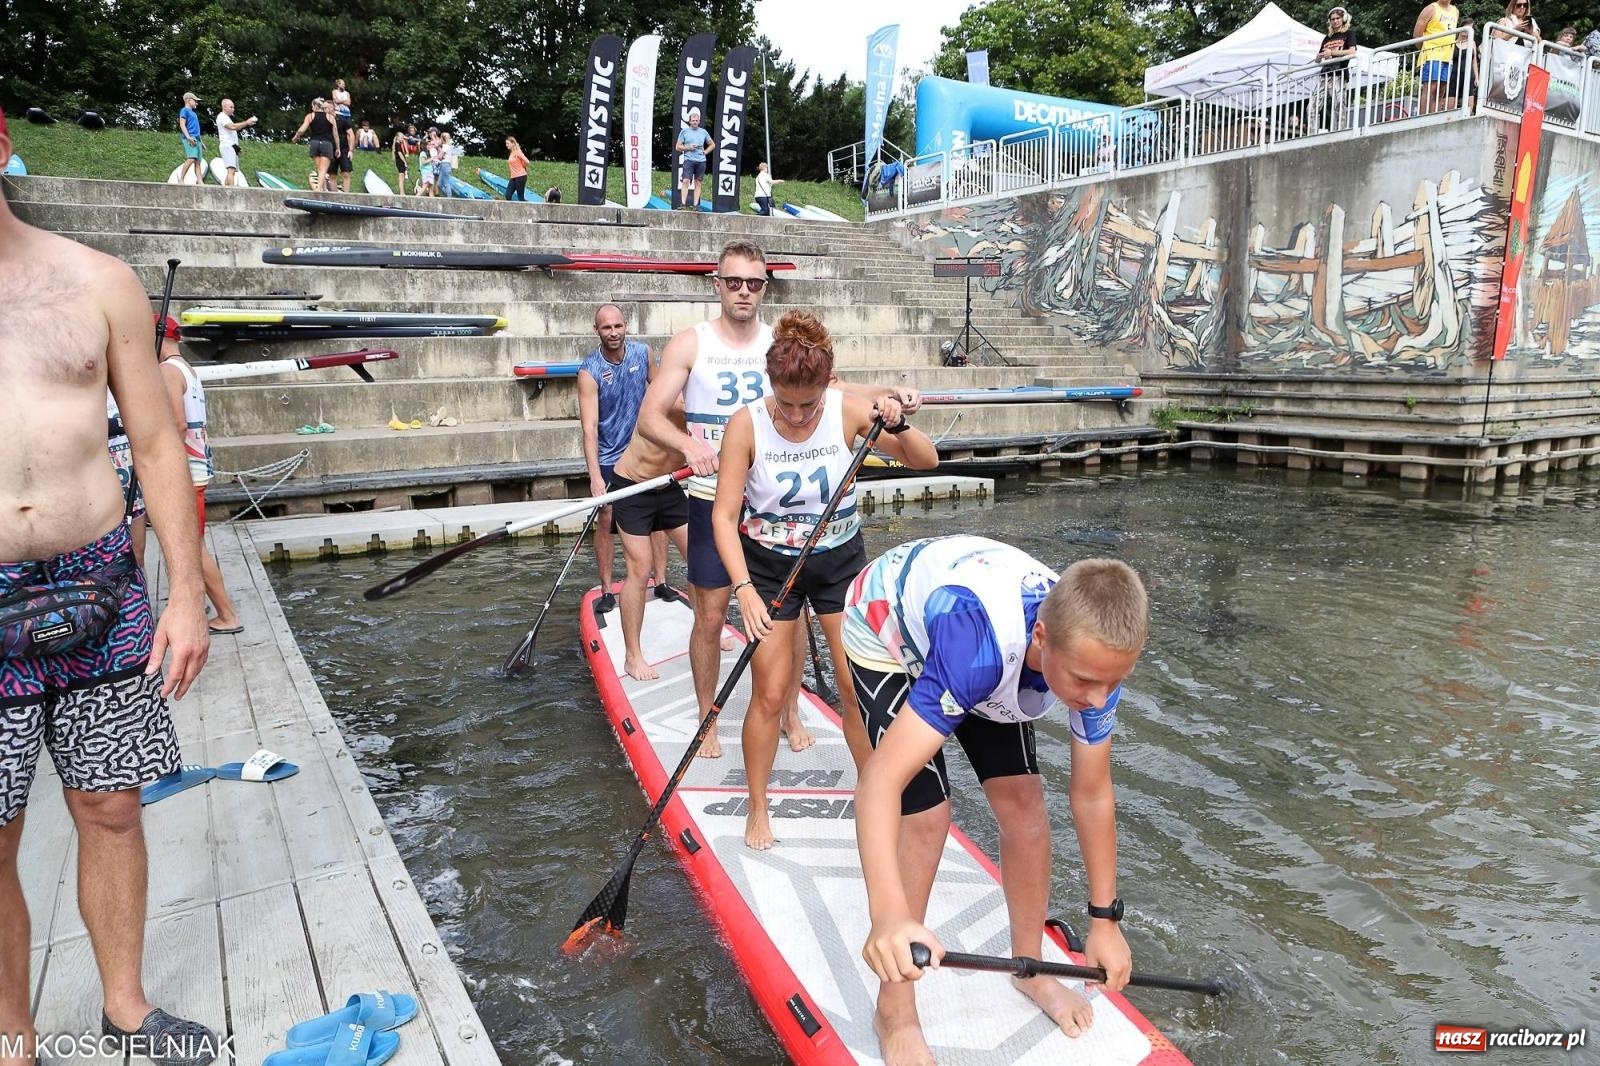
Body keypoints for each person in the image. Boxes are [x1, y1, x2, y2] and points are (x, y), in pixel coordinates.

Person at [0, 105, 217, 1066]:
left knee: (112, 807)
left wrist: (185, 595)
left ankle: (125, 1008)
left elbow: (160, 444)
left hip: (100, 582)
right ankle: (12, 1035)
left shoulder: (98, 281)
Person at [847, 536, 1147, 1064]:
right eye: (1084, 681)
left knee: (1025, 808)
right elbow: (879, 783)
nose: (1098, 699)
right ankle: (894, 1007)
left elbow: (1092, 793)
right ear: (1041, 638)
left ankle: (1029, 968)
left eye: (1113, 682)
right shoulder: (979, 649)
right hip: (888, 628)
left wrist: (1105, 920)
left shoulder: (1097, 662)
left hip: (979, 641)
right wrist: (887, 915)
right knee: (927, 815)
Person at [636, 240, 922, 761]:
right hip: (715, 490)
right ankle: (706, 716)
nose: (744, 291)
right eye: (734, 282)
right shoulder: (690, 343)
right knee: (712, 614)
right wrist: (690, 446)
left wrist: (891, 394)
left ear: (765, 287)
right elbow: (650, 416)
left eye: (754, 282)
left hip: (778, 503)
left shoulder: (783, 345)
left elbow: (832, 390)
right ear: (717, 285)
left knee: (787, 620)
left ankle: (789, 711)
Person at [712, 311, 936, 849]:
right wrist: (744, 590)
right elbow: (723, 517)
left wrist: (898, 425)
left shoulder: (846, 410)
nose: (795, 415)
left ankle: (874, 794)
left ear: (826, 386)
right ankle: (758, 807)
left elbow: (925, 461)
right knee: (769, 693)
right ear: (771, 384)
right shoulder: (746, 424)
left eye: (807, 404)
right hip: (770, 568)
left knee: (855, 688)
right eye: (785, 403)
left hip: (838, 562)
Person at [579, 304, 669, 628]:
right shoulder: (589, 371)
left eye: (618, 326)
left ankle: (661, 580)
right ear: (597, 331)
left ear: (626, 325)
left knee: (658, 516)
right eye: (607, 328)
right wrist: (594, 477)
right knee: (606, 519)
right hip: (608, 457)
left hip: (643, 452)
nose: (613, 333)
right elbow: (589, 427)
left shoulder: (643, 354)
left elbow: (662, 395)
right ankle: (606, 588)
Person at [155, 315, 243, 636]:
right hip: (198, 469)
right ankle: (200, 603)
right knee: (194, 544)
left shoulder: (167, 372)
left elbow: (177, 424)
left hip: (184, 474)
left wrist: (164, 470)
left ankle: (227, 615)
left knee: (192, 547)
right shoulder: (188, 370)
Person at [106, 391, 149, 569]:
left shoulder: (125, 389)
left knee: (137, 554)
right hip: (102, 490)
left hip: (131, 484)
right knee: (108, 559)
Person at [1314, 8, 1359, 132]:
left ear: (1344, 19)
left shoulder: (1349, 33)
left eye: (1338, 18)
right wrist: (1319, 57)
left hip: (1339, 73)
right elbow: (1318, 61)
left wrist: (1332, 53)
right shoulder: (1327, 37)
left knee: (1338, 104)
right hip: (1324, 75)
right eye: (1332, 19)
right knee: (1312, 106)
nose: (1335, 21)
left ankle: (1339, 132)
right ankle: (1312, 133)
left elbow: (1352, 51)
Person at [1416, 0, 1460, 115]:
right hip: (1432, 54)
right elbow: (1417, 34)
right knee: (1431, 87)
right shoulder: (1431, 9)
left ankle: (1434, 116)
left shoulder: (1455, 11)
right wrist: (1426, 49)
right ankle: (1423, 117)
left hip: (1447, 56)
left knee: (1441, 89)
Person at [289, 98, 338, 194]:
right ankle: (319, 189)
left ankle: (323, 189)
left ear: (315, 106)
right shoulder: (330, 117)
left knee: (319, 168)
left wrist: (296, 136)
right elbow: (335, 134)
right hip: (326, 143)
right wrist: (338, 148)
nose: (312, 108)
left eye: (312, 106)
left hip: (314, 143)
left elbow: (302, 129)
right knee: (324, 169)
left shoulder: (310, 116)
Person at [675, 108, 713, 210]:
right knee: (685, 181)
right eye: (693, 121)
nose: (695, 122)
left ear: (699, 121)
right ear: (689, 121)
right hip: (689, 160)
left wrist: (705, 152)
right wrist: (688, 147)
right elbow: (677, 147)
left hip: (701, 161)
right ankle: (683, 204)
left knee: (698, 182)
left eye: (697, 121)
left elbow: (712, 144)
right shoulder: (684, 131)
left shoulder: (703, 132)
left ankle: (695, 205)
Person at [214, 98, 256, 188]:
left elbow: (231, 136)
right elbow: (232, 127)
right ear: (224, 107)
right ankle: (232, 190)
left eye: (233, 107)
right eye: (231, 107)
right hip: (227, 146)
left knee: (232, 171)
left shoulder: (227, 118)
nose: (233, 109)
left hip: (232, 146)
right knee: (231, 170)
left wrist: (237, 148)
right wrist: (246, 122)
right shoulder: (222, 117)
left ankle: (225, 187)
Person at [1449, 20, 1478, 110]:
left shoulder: (1472, 43)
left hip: (1468, 77)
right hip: (1454, 77)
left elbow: (1474, 62)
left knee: (1469, 107)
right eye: (1466, 26)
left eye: (1470, 28)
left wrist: (1477, 78)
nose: (1467, 30)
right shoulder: (1452, 43)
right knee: (1450, 107)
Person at [176, 92, 204, 184]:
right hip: (190, 138)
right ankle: (181, 179)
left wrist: (201, 141)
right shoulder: (184, 111)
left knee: (198, 161)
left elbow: (196, 129)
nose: (197, 103)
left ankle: (200, 181)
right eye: (195, 101)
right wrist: (188, 137)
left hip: (197, 138)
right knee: (191, 158)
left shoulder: (194, 113)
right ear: (188, 100)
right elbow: (182, 124)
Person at [334, 104, 356, 193]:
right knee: (332, 174)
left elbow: (351, 135)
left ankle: (346, 194)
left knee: (346, 172)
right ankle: (333, 195)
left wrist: (351, 150)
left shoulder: (343, 121)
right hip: (331, 148)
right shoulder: (327, 120)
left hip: (344, 148)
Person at [505, 136, 530, 201]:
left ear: (513, 143)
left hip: (520, 176)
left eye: (508, 143)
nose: (506, 145)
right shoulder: (511, 153)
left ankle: (526, 206)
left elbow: (527, 161)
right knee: (507, 195)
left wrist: (523, 166)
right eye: (506, 143)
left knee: (520, 197)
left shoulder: (518, 152)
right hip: (513, 177)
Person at [391, 123, 412, 193]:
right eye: (401, 137)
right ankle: (401, 192)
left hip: (400, 161)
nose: (402, 138)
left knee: (402, 177)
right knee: (401, 177)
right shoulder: (397, 144)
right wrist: (405, 162)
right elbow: (400, 154)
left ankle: (402, 192)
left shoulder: (398, 143)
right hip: (400, 161)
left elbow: (406, 138)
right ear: (397, 137)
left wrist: (407, 138)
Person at [437, 132, 456, 197]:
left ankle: (449, 198)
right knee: (439, 184)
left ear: (442, 138)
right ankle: (448, 196)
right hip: (446, 165)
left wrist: (439, 152)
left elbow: (439, 157)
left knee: (446, 183)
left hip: (445, 165)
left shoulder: (445, 146)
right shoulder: (448, 146)